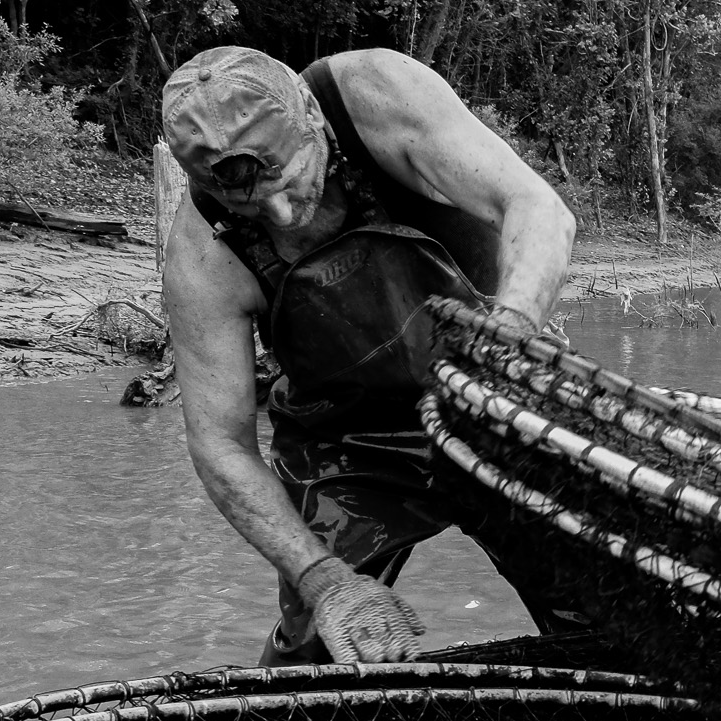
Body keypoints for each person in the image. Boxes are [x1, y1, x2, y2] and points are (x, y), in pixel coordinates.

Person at [160, 45, 582, 665]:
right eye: (248, 204)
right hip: (348, 446)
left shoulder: (377, 94)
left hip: (496, 396)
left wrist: (509, 334)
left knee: (597, 610)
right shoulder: (201, 257)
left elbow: (538, 209)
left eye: (287, 179)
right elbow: (221, 445)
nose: (281, 213)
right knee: (311, 656)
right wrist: (323, 581)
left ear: (312, 117)